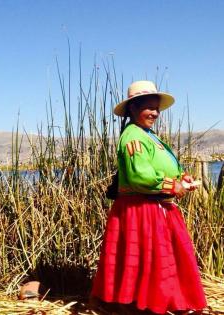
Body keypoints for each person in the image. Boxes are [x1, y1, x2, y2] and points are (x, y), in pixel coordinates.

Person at [91, 81, 207, 314]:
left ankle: (163, 300)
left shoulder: (148, 134)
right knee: (145, 258)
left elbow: (159, 165)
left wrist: (181, 178)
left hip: (155, 206)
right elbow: (139, 176)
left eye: (157, 109)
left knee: (162, 257)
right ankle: (139, 303)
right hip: (139, 209)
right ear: (133, 108)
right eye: (149, 108)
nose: (155, 113)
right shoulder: (133, 136)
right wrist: (171, 185)